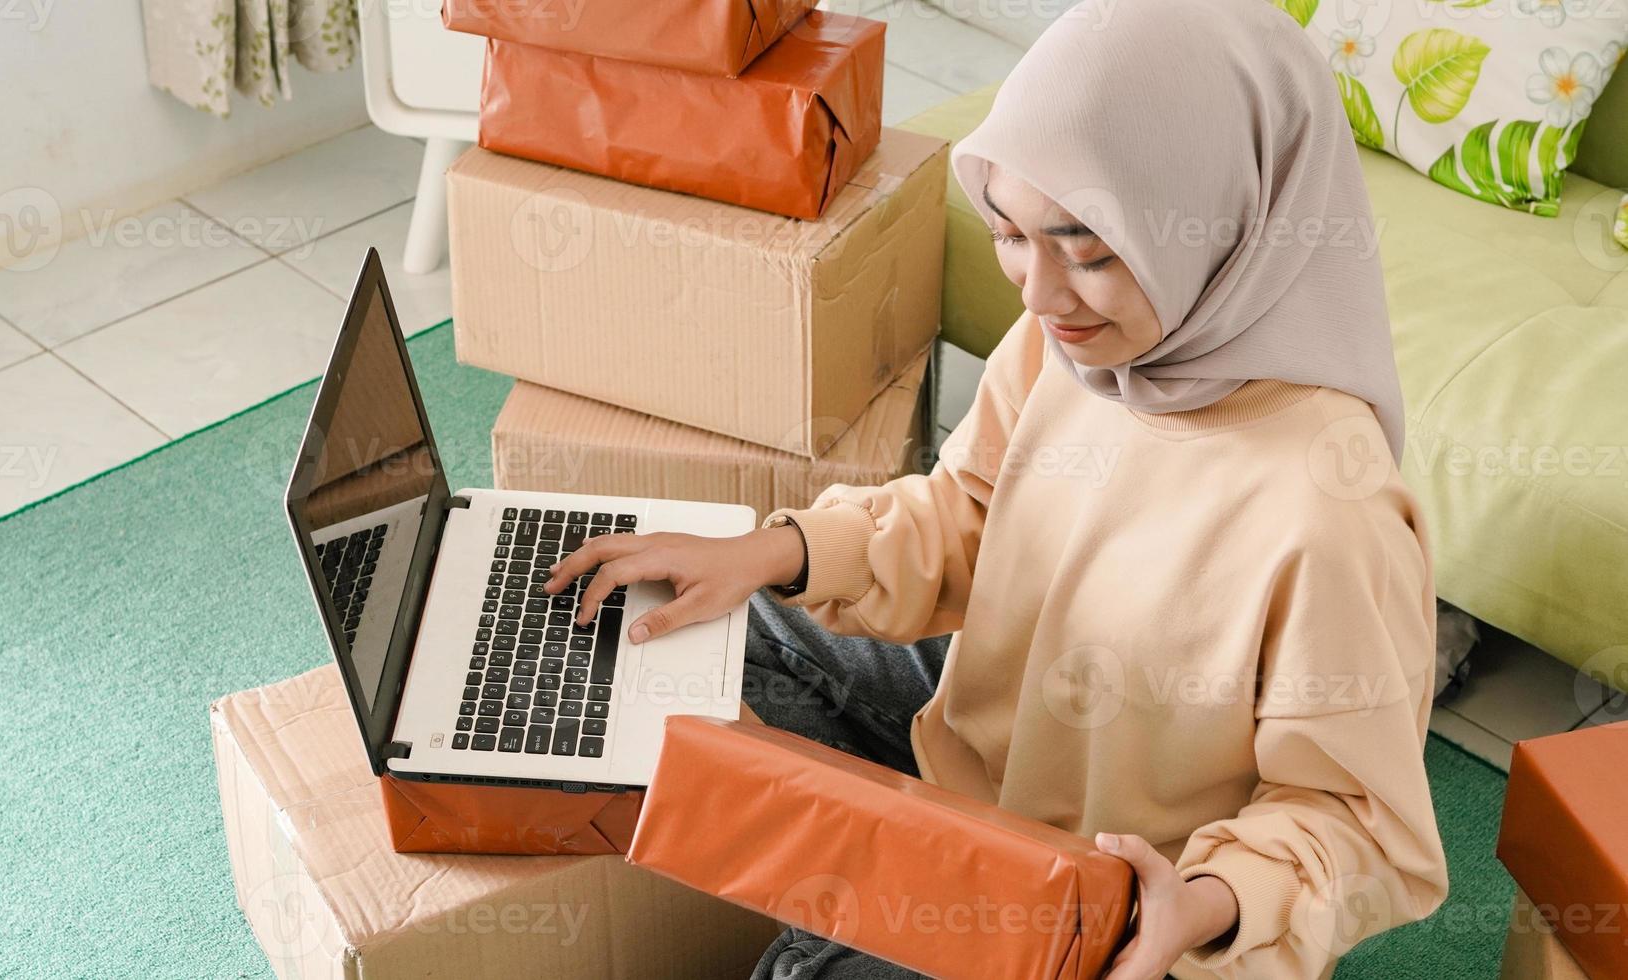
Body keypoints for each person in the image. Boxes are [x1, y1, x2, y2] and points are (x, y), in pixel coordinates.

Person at [543, 0, 1449, 974]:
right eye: (1009, 233)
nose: (1037, 293)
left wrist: (1207, 903)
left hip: (1115, 902)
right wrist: (768, 550)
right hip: (987, 744)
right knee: (715, 626)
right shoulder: (1073, 341)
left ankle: (858, 904)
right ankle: (871, 882)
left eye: (1089, 249)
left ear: (1223, 223)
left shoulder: (1328, 508)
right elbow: (965, 514)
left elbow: (1354, 824)